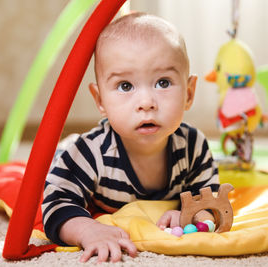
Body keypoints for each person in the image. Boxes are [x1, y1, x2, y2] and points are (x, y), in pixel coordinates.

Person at [42, 12, 220, 263]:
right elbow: (56, 204)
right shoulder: (89, 153)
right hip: (70, 156)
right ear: (100, 100)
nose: (146, 103)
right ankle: (64, 145)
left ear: (189, 93)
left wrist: (191, 214)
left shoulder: (193, 146)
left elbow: (210, 198)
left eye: (163, 82)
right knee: (57, 162)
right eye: (125, 86)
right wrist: (87, 229)